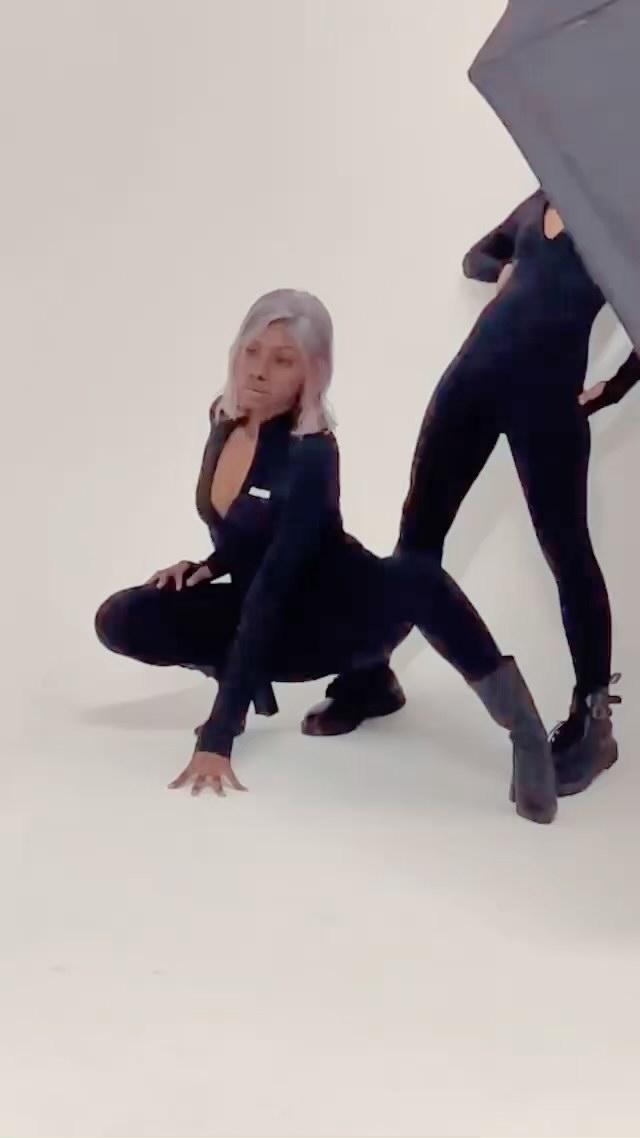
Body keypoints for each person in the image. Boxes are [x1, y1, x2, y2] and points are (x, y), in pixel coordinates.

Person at [95, 289, 557, 824]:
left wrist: (218, 737)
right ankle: (371, 687)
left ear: (312, 372)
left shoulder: (312, 454)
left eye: (282, 360)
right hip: (263, 602)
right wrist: (207, 566)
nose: (259, 370)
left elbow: (274, 585)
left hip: (335, 619)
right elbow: (246, 529)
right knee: (124, 617)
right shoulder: (223, 418)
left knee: (420, 579)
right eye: (251, 351)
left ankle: (526, 735)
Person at [303, 194, 640, 798]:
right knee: (418, 533)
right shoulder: (546, 193)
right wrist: (504, 268)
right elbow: (476, 257)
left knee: (566, 551)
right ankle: (373, 673)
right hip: (471, 380)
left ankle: (595, 723)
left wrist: (613, 389)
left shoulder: (620, 212)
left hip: (547, 399)